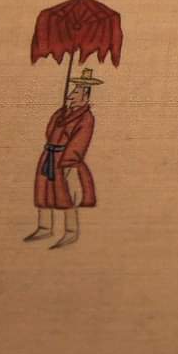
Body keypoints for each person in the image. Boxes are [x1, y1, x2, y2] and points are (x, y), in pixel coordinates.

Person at [25, 69, 102, 250]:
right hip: (49, 155)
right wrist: (59, 116)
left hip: (66, 160)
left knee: (67, 195)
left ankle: (71, 231)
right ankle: (45, 227)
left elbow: (80, 141)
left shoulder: (86, 117)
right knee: (43, 190)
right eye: (73, 90)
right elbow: (49, 133)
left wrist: (69, 163)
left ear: (85, 95)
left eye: (76, 91)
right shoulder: (63, 113)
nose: (71, 94)